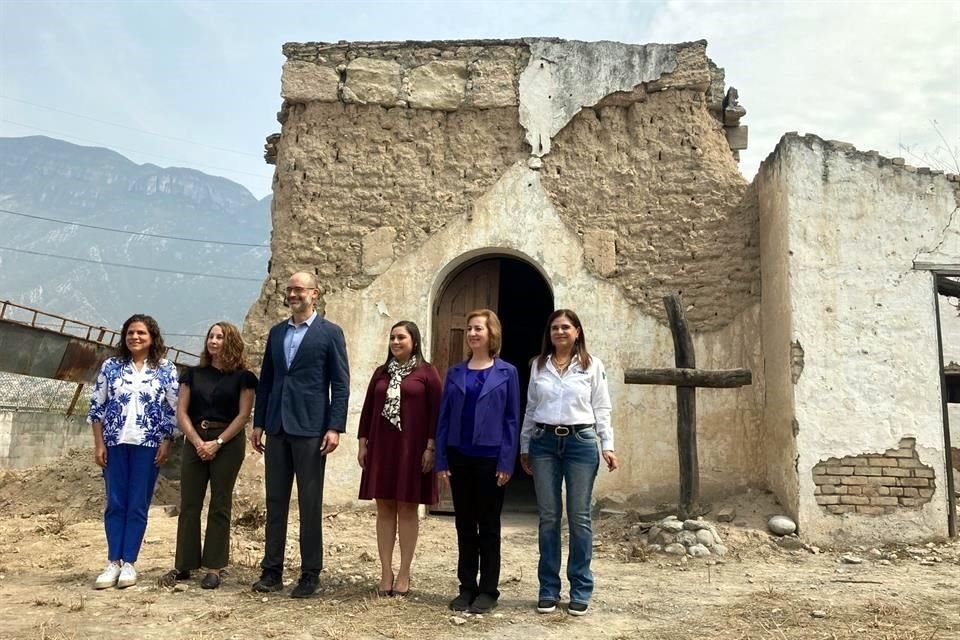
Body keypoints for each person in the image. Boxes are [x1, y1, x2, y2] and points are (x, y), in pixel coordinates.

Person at [250, 271, 350, 598]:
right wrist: (259, 422)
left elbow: (341, 384)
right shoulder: (277, 333)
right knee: (275, 501)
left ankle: (310, 574)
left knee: (309, 503)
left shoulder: (330, 333)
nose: (293, 294)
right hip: (277, 427)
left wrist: (334, 426)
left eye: (299, 290)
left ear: (315, 293)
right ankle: (271, 571)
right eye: (290, 289)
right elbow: (267, 381)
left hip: (311, 429)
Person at [520, 309, 618, 617]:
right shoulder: (538, 365)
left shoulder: (592, 366)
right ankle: (548, 588)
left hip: (581, 443)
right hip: (544, 443)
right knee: (549, 517)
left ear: (577, 331)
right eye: (554, 328)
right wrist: (525, 446)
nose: (559, 332)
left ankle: (580, 588)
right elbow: (531, 408)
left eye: (565, 327)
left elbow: (602, 408)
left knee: (579, 518)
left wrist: (608, 445)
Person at [435, 309, 520, 614]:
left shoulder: (507, 372)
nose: (472, 333)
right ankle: (466, 587)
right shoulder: (455, 372)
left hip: (490, 459)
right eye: (470, 328)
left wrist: (507, 462)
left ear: (491, 334)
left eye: (479, 329)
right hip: (460, 458)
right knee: (464, 525)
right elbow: (443, 419)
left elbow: (512, 419)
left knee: (489, 525)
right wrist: (441, 459)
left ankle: (488, 590)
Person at [161, 321, 257, 590]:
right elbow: (181, 412)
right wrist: (197, 441)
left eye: (220, 337)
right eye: (211, 336)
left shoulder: (244, 377)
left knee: (220, 503)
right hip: (195, 441)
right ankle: (184, 564)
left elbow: (243, 415)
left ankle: (214, 567)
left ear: (232, 342)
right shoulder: (192, 374)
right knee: (190, 503)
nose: (214, 341)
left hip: (227, 443)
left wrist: (217, 442)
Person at [88, 314, 179, 589]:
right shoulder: (111, 367)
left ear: (152, 337)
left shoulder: (165, 369)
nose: (135, 337)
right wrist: (99, 444)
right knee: (116, 502)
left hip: (148, 444)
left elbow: (173, 410)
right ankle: (112, 561)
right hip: (115, 443)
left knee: (137, 504)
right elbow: (97, 407)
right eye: (130, 333)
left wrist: (166, 441)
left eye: (141, 333)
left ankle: (129, 562)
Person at [357, 321, 442, 597]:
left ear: (414, 341)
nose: (395, 342)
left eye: (401, 337)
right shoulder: (381, 374)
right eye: (392, 337)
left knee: (407, 508)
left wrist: (431, 448)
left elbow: (436, 414)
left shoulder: (427, 374)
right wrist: (362, 445)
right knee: (384, 508)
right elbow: (368, 410)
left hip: (412, 450)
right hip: (382, 448)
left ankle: (404, 571)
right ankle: (385, 571)